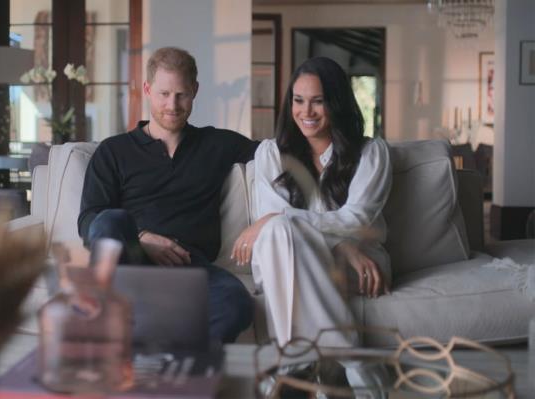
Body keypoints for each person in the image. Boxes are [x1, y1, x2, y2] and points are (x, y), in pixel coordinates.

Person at [78, 47, 258, 344]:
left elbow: (282, 153)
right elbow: (88, 220)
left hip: (189, 266)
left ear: (195, 91)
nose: (172, 105)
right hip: (129, 262)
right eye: (163, 94)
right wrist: (142, 237)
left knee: (235, 305)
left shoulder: (216, 144)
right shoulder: (114, 151)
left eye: (181, 95)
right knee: (109, 220)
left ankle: (180, 371)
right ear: (147, 90)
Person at [232, 56, 392, 348]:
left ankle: (293, 367)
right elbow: (276, 227)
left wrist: (280, 217)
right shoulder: (271, 154)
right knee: (280, 236)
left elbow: (356, 219)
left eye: (318, 101)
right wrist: (339, 242)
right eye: (298, 100)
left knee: (281, 233)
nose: (306, 111)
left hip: (356, 262)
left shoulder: (372, 153)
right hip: (290, 252)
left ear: (337, 103)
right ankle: (352, 366)